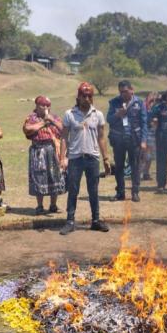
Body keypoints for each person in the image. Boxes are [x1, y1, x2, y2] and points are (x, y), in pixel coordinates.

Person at [58, 82, 111, 235]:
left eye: (89, 96)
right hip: (75, 158)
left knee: (93, 191)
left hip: (92, 158)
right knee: (73, 190)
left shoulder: (98, 114)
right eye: (83, 95)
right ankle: (70, 221)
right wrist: (62, 158)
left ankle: (95, 221)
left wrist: (106, 158)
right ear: (78, 97)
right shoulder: (70, 114)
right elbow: (64, 138)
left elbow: (101, 138)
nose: (86, 98)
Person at [22, 96, 66, 214]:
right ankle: (40, 206)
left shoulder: (55, 117)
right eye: (43, 105)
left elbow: (64, 130)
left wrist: (51, 120)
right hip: (38, 150)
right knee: (39, 176)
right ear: (37, 106)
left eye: (48, 105)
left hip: (52, 149)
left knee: (54, 176)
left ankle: (53, 205)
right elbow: (27, 130)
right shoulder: (31, 118)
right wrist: (43, 123)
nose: (46, 107)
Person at [107, 80, 148, 202]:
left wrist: (144, 140)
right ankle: (120, 193)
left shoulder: (139, 103)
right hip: (118, 139)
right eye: (120, 92)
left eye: (125, 91)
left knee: (135, 166)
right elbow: (108, 119)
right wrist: (117, 115)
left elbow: (144, 122)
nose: (122, 94)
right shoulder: (114, 102)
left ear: (131, 90)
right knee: (119, 167)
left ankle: (135, 192)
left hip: (134, 139)